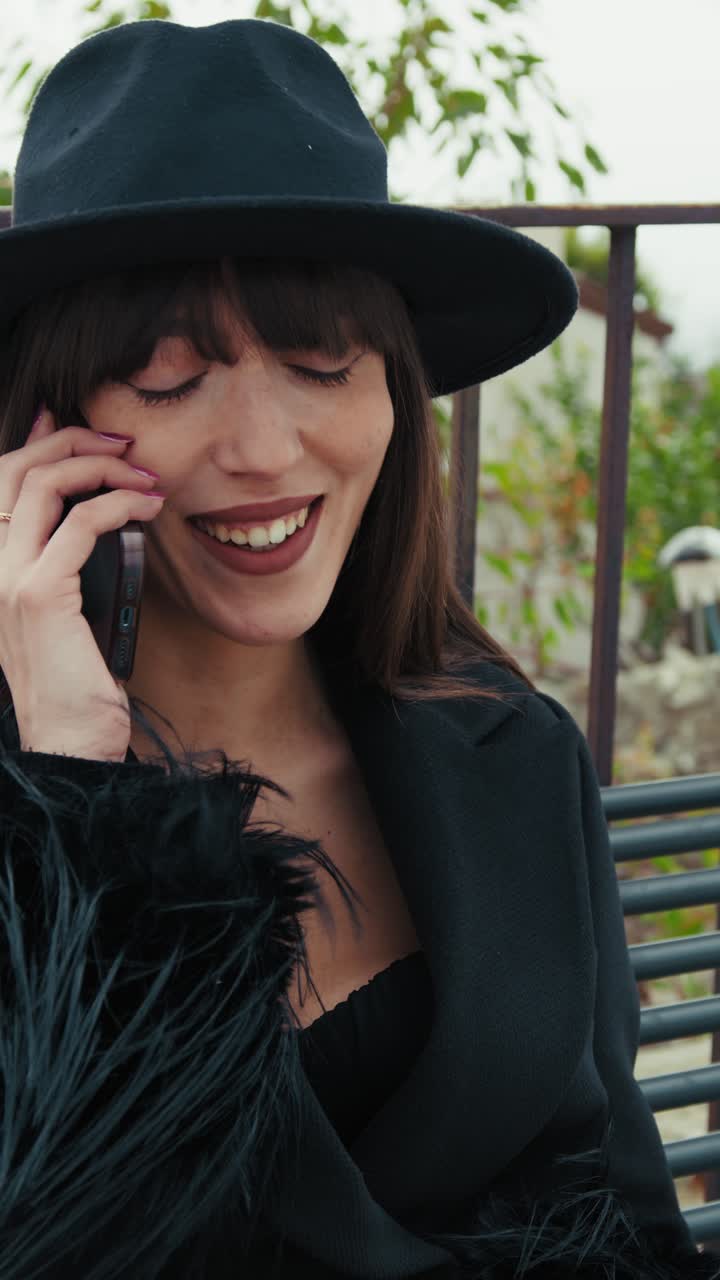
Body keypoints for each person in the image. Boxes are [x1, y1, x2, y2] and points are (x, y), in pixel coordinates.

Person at [0, 16, 716, 1280]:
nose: (267, 448)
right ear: (53, 429)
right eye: (168, 382)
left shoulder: (509, 748)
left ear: (394, 389)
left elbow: (627, 1209)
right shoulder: (29, 802)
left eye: (321, 361)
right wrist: (78, 792)